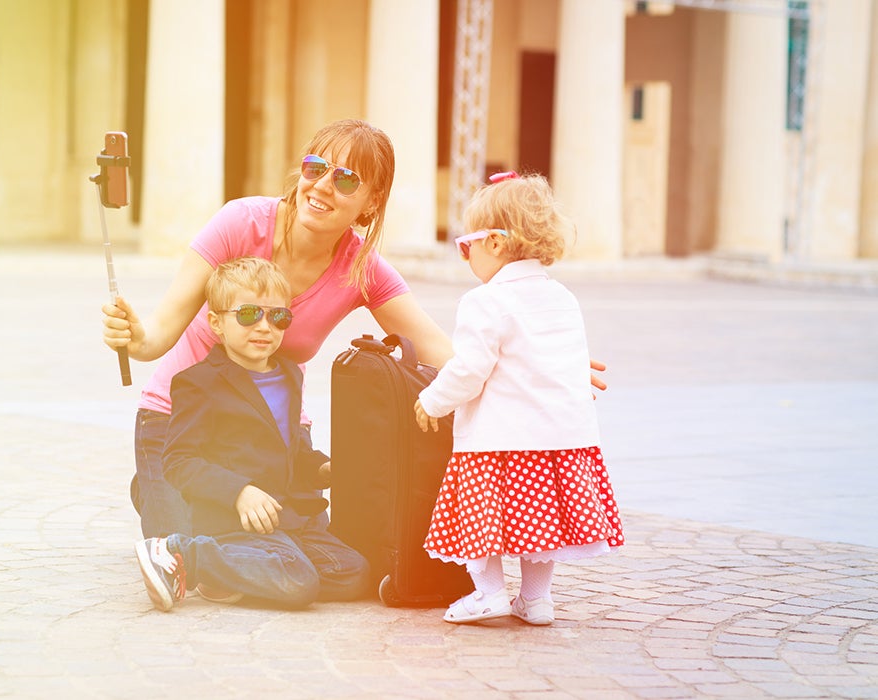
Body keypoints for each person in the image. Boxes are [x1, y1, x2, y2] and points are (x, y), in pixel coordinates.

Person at [102, 118, 606, 539]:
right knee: (186, 549)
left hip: (270, 433)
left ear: (370, 199)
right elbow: (157, 337)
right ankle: (159, 484)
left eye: (345, 179)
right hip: (178, 425)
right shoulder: (240, 223)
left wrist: (540, 366)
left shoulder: (363, 268)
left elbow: (442, 350)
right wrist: (134, 335)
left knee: (311, 556)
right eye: (315, 168)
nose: (322, 186)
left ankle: (184, 493)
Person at [413, 171, 624, 626]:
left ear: (495, 243)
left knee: (480, 519)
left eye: (465, 246)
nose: (465, 257)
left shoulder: (483, 301)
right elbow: (566, 362)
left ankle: (488, 592)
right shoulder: (563, 297)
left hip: (498, 438)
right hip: (561, 439)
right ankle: (536, 599)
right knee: (539, 522)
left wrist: (433, 400)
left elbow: (469, 369)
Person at [134, 257, 371, 611]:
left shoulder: (290, 376)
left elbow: (288, 451)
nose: (264, 327)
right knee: (299, 583)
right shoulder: (198, 383)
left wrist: (323, 468)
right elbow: (180, 463)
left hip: (285, 521)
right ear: (216, 322)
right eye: (248, 315)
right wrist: (239, 492)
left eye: (278, 317)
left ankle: (233, 575)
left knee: (354, 573)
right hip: (232, 521)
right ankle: (182, 553)